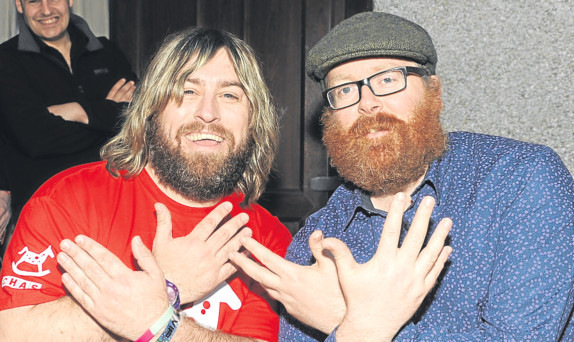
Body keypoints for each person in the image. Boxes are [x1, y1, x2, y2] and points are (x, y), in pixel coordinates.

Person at [229, 11, 574, 341]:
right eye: (345, 90)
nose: (367, 103)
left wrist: (348, 322)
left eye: (388, 79)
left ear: (433, 92)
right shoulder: (317, 242)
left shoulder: (520, 180)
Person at [0, 27, 292, 341]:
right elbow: (12, 332)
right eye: (186, 91)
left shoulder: (270, 241)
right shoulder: (68, 200)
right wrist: (168, 282)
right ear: (152, 108)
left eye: (229, 95)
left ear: (254, 119)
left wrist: (161, 322)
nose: (208, 113)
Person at [0, 0, 137, 226]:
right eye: (34, 1)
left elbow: (140, 118)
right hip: (45, 211)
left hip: (115, 205)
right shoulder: (6, 60)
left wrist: (79, 112)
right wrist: (107, 114)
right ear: (19, 5)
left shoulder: (107, 51)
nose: (46, 10)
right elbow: (35, 138)